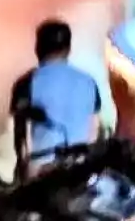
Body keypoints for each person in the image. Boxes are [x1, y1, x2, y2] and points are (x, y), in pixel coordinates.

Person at [9, 19, 104, 183]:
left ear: (38, 48)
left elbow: (21, 137)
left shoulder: (27, 82)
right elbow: (94, 129)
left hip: (43, 170)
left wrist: (22, 168)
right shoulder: (89, 82)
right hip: (81, 168)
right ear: (68, 48)